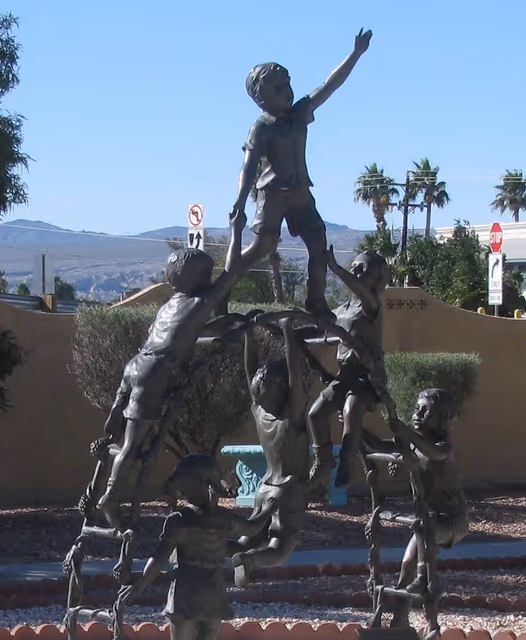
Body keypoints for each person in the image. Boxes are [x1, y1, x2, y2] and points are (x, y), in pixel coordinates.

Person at [85, 247, 242, 525]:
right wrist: (238, 230)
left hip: (135, 364)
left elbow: (185, 332)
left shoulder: (169, 304)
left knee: (123, 443)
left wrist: (229, 324)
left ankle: (108, 451)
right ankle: (110, 495)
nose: (211, 278)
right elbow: (232, 272)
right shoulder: (201, 300)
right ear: (196, 277)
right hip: (154, 372)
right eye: (207, 274)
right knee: (132, 447)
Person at [225, 29, 371, 318]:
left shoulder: (300, 113)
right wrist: (240, 202)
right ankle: (221, 290)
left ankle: (316, 301)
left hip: (301, 192)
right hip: (273, 195)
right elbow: (248, 167)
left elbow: (330, 85)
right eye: (277, 87)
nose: (286, 91)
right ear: (261, 97)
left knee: (318, 243)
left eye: (287, 84)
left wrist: (356, 53)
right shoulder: (261, 127)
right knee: (261, 247)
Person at [120, 453, 253, 640]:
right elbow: (252, 529)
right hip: (214, 592)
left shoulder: (178, 520)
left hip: (185, 593)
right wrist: (274, 508)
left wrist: (139, 585)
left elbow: (158, 559)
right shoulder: (223, 519)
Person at [230, 320, 316, 584]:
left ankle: (202, 550)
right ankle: (250, 561)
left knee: (247, 538)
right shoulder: (291, 415)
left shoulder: (259, 412)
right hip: (287, 489)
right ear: (283, 389)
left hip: (264, 487)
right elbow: (294, 370)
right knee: (280, 548)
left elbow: (250, 369)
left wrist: (248, 335)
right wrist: (289, 333)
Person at [361, 387, 470, 591]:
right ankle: (402, 609)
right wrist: (355, 426)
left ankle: (418, 581)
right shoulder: (411, 445)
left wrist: (405, 433)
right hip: (429, 517)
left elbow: (432, 454)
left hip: (453, 520)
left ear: (441, 419)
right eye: (416, 409)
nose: (418, 415)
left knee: (422, 535)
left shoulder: (444, 447)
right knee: (413, 549)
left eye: (425, 411)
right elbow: (376, 445)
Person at [308, 248, 391, 492]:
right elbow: (318, 327)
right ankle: (323, 461)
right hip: (346, 375)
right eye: (353, 266)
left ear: (375, 275)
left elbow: (358, 288)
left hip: (367, 376)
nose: (355, 271)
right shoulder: (342, 309)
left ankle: (346, 462)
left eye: (361, 268)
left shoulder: (371, 305)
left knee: (351, 408)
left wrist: (335, 268)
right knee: (316, 414)